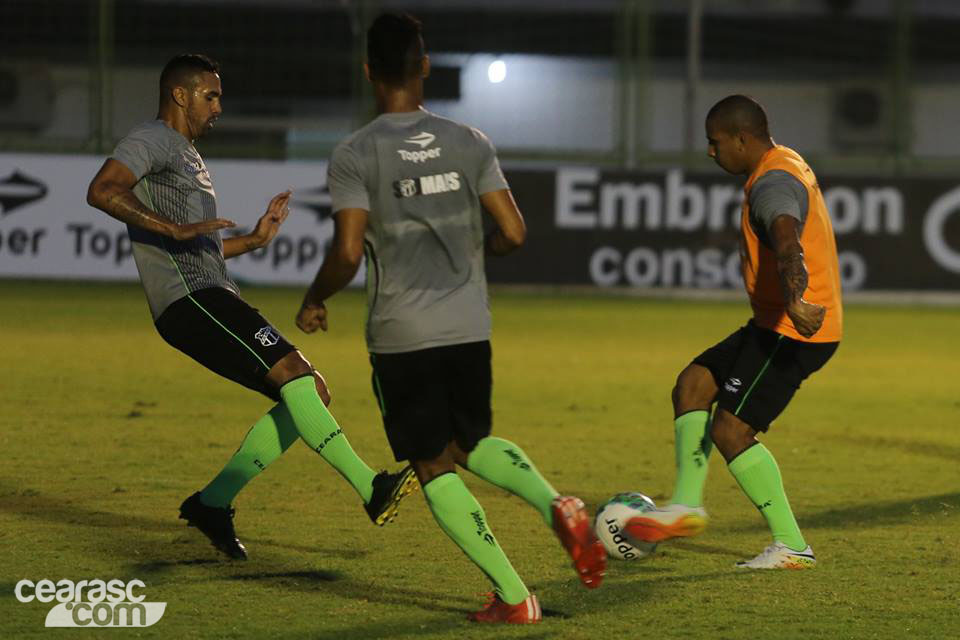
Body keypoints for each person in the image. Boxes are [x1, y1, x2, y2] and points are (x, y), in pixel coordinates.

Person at [295, 13, 606, 624]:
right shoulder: (470, 141)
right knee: (470, 443)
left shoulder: (356, 153)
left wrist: (315, 298)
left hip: (402, 333)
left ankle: (515, 598)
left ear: (368, 73)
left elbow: (349, 251)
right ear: (425, 66)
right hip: (469, 324)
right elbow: (513, 232)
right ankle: (555, 504)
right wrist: (473, 252)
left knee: (432, 462)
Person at [86, 53, 416, 561]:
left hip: (211, 295)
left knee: (310, 391)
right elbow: (102, 190)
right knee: (296, 376)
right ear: (180, 94)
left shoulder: (188, 154)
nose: (218, 106)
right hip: (194, 301)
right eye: (210, 95)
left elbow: (200, 246)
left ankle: (212, 503)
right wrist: (172, 228)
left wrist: (254, 241)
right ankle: (371, 488)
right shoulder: (151, 139)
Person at [624, 94, 842, 569]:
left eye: (714, 141)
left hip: (794, 329)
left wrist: (794, 299)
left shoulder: (773, 183)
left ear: (742, 140)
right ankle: (685, 505)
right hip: (772, 322)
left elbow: (788, 241)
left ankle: (793, 546)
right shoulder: (784, 163)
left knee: (730, 429)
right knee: (694, 383)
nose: (710, 151)